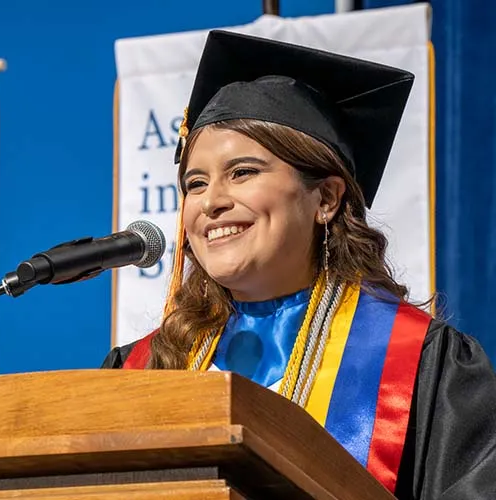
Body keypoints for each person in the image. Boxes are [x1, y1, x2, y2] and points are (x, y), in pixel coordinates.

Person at [101, 30, 496, 499]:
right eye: (196, 183)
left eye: (242, 173)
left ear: (326, 197)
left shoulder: (421, 364)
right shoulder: (142, 368)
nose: (211, 202)